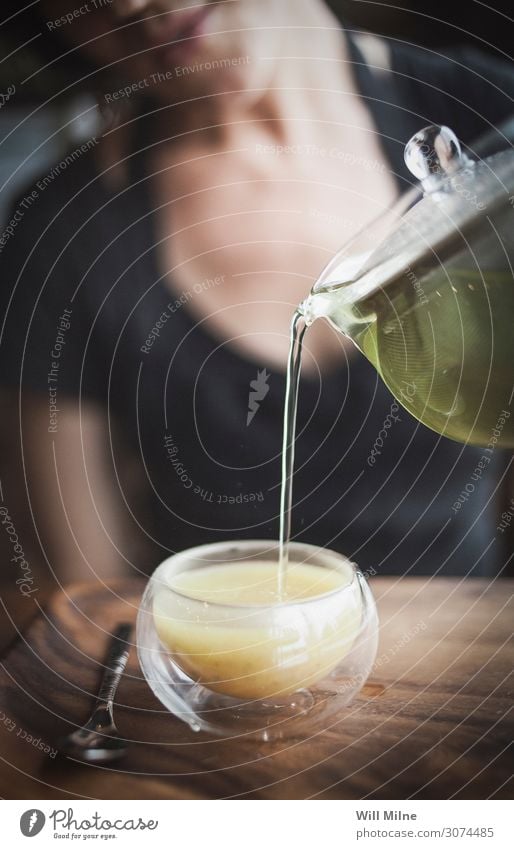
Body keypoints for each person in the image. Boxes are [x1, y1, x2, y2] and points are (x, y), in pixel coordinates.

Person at [0, 0, 512, 587]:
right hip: (229, 665)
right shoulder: (60, 239)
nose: (127, 4)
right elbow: (78, 591)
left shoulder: (486, 115)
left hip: (474, 649)